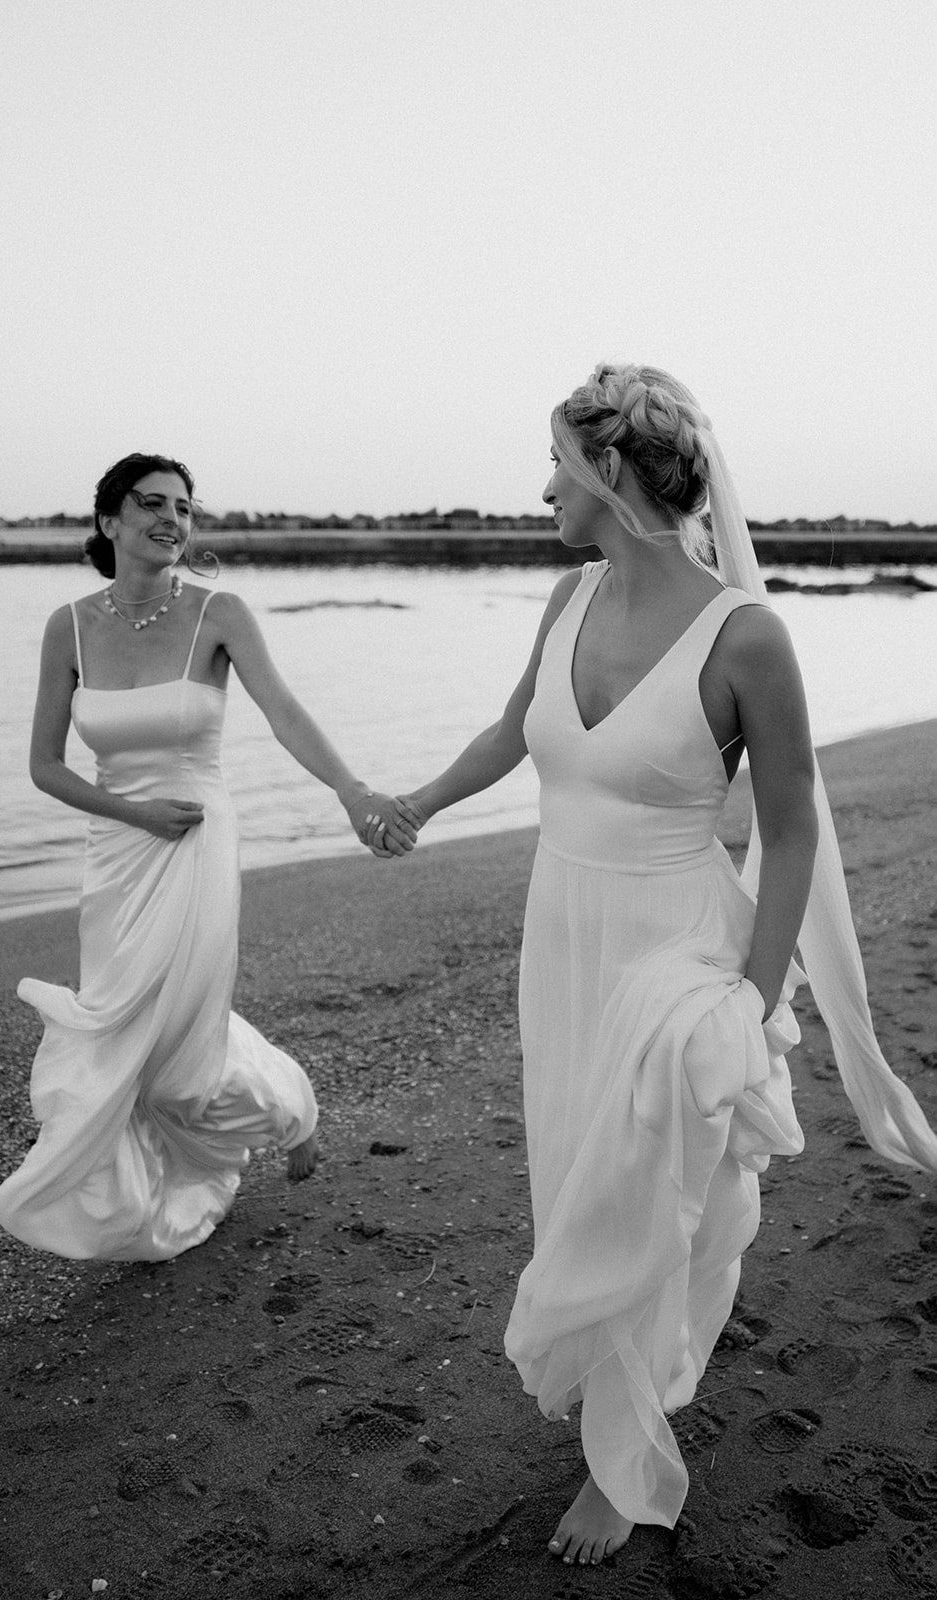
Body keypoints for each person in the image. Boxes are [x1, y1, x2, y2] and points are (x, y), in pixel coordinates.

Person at [393, 366, 937, 1565]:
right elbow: (510, 729)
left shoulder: (745, 634)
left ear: (605, 472)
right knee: (575, 1175)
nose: (541, 488)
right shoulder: (566, 595)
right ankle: (611, 1386)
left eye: (555, 464)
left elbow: (790, 827)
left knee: (651, 1188)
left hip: (675, 942)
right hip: (562, 936)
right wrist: (416, 805)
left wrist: (753, 992)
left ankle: (625, 1462)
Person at [0, 452, 414, 1261]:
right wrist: (131, 813)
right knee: (125, 1024)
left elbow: (285, 713)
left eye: (184, 508)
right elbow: (44, 766)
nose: (172, 520)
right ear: (109, 520)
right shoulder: (67, 626)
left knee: (176, 1043)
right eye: (152, 504)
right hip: (119, 846)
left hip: (195, 838)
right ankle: (155, 1180)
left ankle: (287, 1107)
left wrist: (351, 791)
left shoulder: (220, 613)